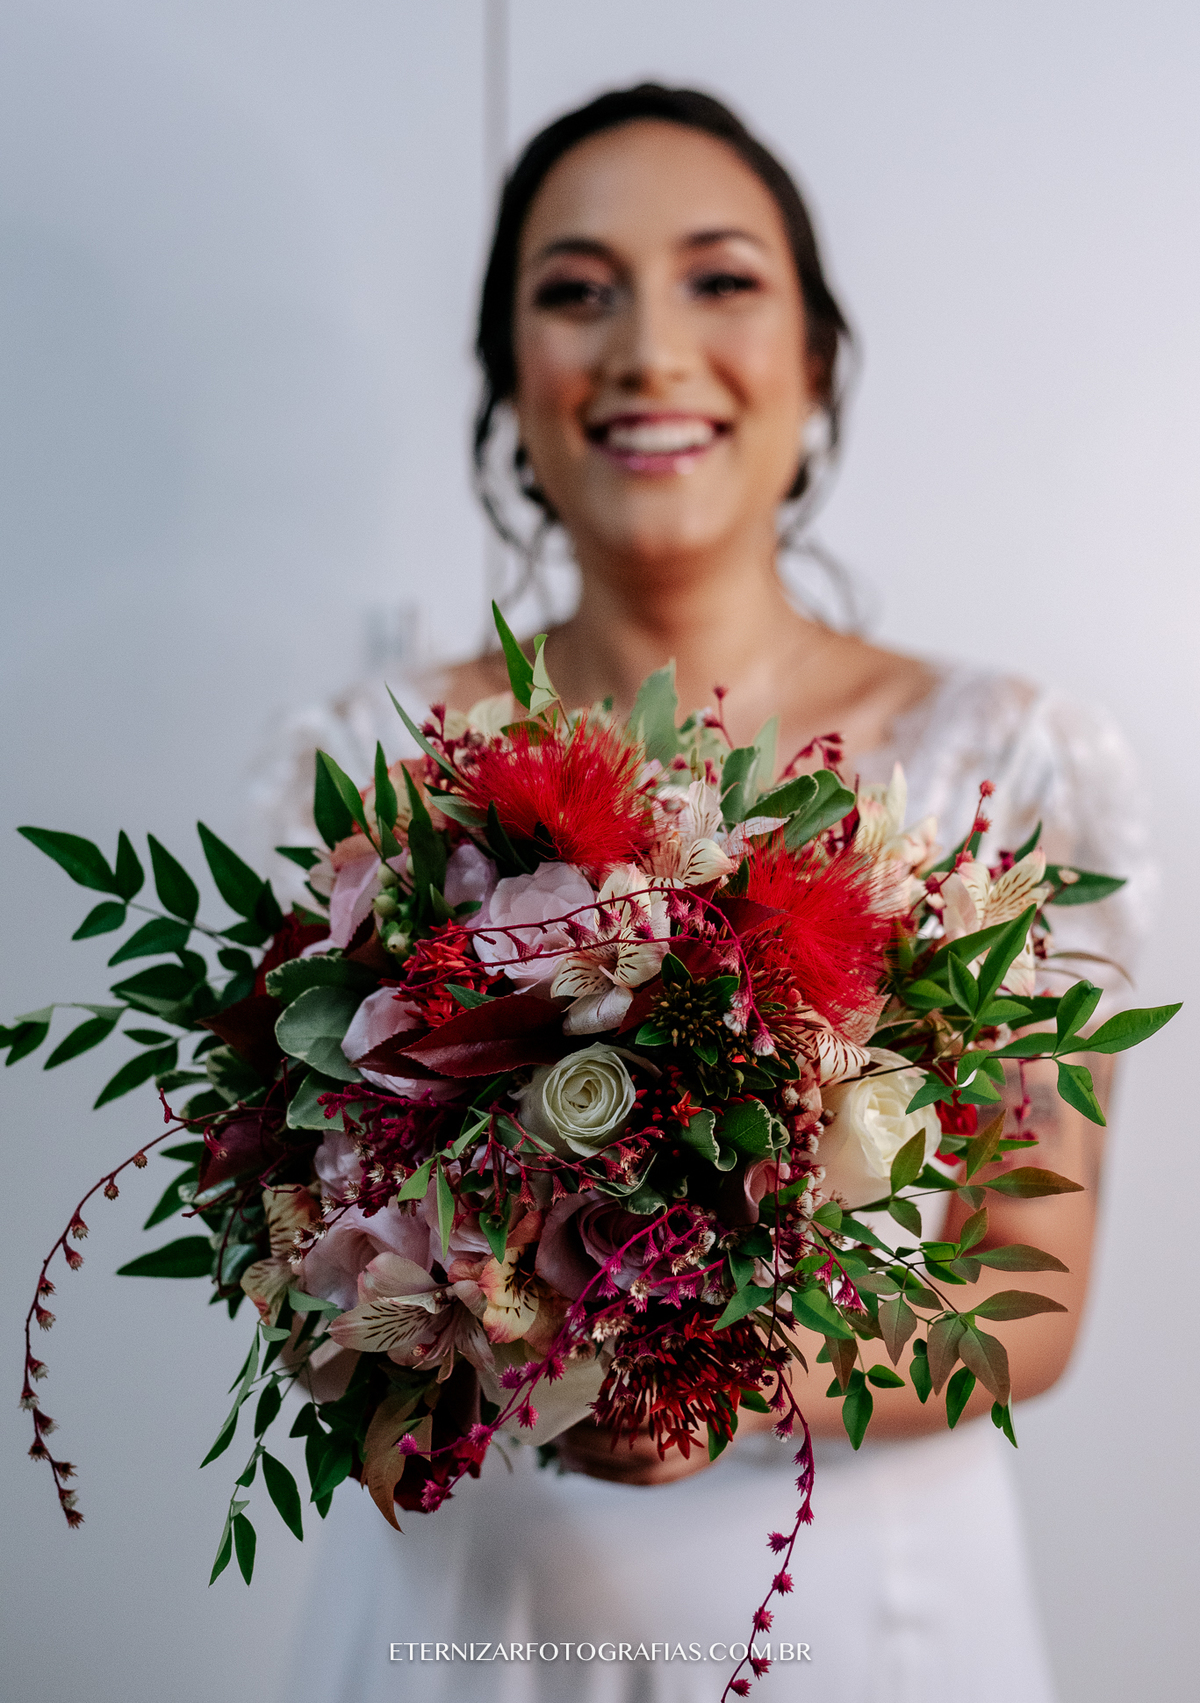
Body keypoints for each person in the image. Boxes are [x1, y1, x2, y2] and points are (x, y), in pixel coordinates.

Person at [258, 86, 1152, 1702]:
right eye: (576, 290)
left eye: (720, 279)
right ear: (504, 376)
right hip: (478, 1603)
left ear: (816, 360)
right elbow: (301, 1251)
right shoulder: (371, 777)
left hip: (863, 1609)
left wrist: (705, 1378)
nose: (650, 350)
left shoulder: (1008, 767)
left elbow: (1032, 1279)